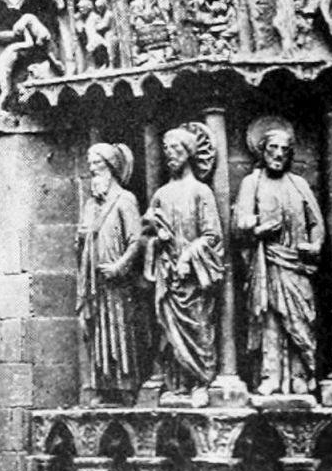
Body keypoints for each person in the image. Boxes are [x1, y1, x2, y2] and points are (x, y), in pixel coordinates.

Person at [233, 123, 325, 397]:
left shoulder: (299, 184)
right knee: (270, 318)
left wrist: (315, 244)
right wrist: (257, 229)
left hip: (297, 263)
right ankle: (270, 376)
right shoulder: (252, 183)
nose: (279, 154)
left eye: (285, 149)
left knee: (301, 318)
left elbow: (316, 222)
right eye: (273, 148)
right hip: (268, 261)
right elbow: (239, 224)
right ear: (262, 151)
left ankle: (301, 375)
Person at [141, 127, 224, 404]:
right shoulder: (161, 194)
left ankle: (201, 381)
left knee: (199, 326)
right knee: (168, 331)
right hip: (168, 275)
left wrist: (188, 256)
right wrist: (157, 239)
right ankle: (176, 384)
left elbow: (212, 236)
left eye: (176, 149)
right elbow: (145, 234)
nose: (170, 155)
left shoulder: (201, 192)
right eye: (166, 150)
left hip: (193, 278)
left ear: (189, 153)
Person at [76, 143, 143, 404]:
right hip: (96, 282)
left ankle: (125, 387)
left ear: (111, 167)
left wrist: (119, 266)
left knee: (119, 330)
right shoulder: (91, 205)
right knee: (98, 334)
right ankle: (104, 387)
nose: (92, 170)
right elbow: (82, 240)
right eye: (90, 165)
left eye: (97, 164)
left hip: (118, 282)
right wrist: (81, 238)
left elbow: (135, 240)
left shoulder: (125, 200)